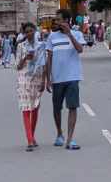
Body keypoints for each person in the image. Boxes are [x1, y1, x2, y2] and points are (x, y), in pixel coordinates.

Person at [44, 8, 85, 150]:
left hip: (73, 77)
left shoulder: (77, 34)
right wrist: (48, 78)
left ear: (67, 21)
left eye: (59, 20)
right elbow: (49, 58)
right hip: (57, 79)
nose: (57, 22)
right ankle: (59, 133)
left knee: (72, 107)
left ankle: (70, 139)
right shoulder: (52, 37)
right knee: (57, 108)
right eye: (56, 20)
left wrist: (69, 35)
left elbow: (80, 49)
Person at [15, 21, 46, 151]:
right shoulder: (21, 46)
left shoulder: (41, 46)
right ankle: (29, 140)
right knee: (26, 109)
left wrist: (44, 80)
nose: (29, 33)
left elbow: (43, 64)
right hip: (24, 79)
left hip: (37, 78)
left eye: (31, 31)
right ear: (24, 33)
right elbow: (18, 66)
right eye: (26, 32)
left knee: (35, 108)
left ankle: (32, 136)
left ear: (35, 31)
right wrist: (25, 58)